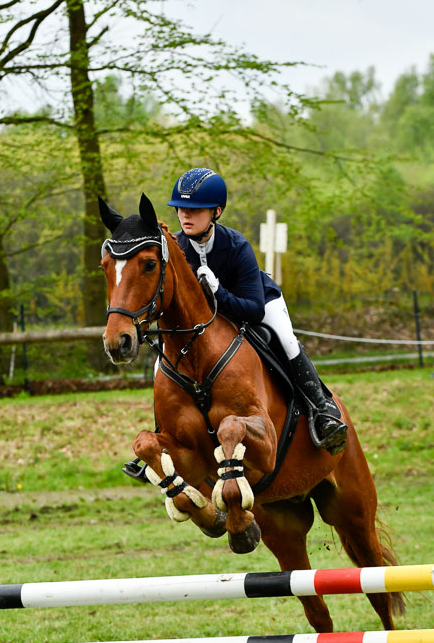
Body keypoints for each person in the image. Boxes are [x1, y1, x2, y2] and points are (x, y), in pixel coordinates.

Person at [123, 167, 347, 481]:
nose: (185, 216)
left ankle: (321, 409)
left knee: (284, 337)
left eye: (194, 210)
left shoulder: (235, 245)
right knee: (164, 360)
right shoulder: (179, 250)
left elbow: (253, 309)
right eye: (181, 209)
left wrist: (218, 292)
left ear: (215, 211)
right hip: (206, 323)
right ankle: (164, 433)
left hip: (254, 303)